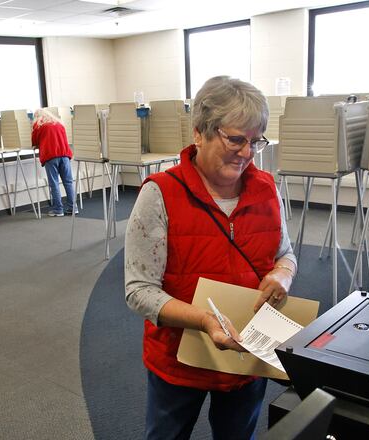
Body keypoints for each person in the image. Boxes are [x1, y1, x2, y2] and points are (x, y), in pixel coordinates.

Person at [125, 76, 297, 439]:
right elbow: (139, 289)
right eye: (236, 139)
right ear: (199, 132)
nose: (247, 152)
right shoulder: (161, 194)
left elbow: (285, 254)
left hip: (246, 356)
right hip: (178, 360)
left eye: (255, 141)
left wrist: (283, 274)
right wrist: (204, 320)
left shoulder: (266, 189)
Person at [31, 109, 77, 217]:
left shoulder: (39, 125)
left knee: (54, 183)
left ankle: (58, 209)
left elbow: (34, 142)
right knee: (68, 182)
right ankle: (73, 208)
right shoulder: (59, 124)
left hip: (51, 156)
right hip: (65, 155)